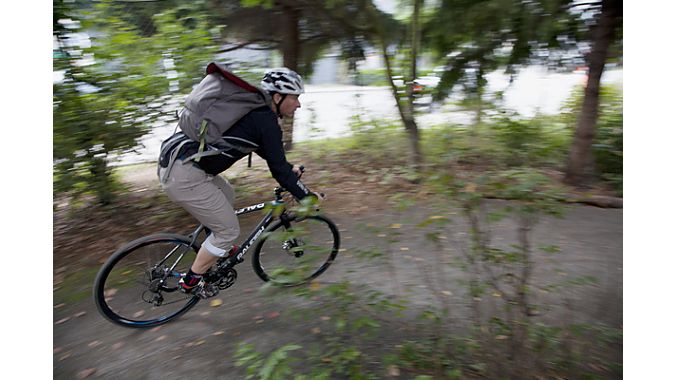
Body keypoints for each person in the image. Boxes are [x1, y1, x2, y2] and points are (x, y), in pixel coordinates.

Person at [157, 67, 323, 298]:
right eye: (295, 98)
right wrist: (307, 197)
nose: (298, 105)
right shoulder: (265, 119)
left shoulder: (255, 111)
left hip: (180, 162)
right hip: (185, 176)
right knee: (227, 231)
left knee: (227, 195)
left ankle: (216, 249)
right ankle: (191, 282)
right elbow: (278, 170)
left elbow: (268, 152)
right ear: (278, 97)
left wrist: (288, 168)